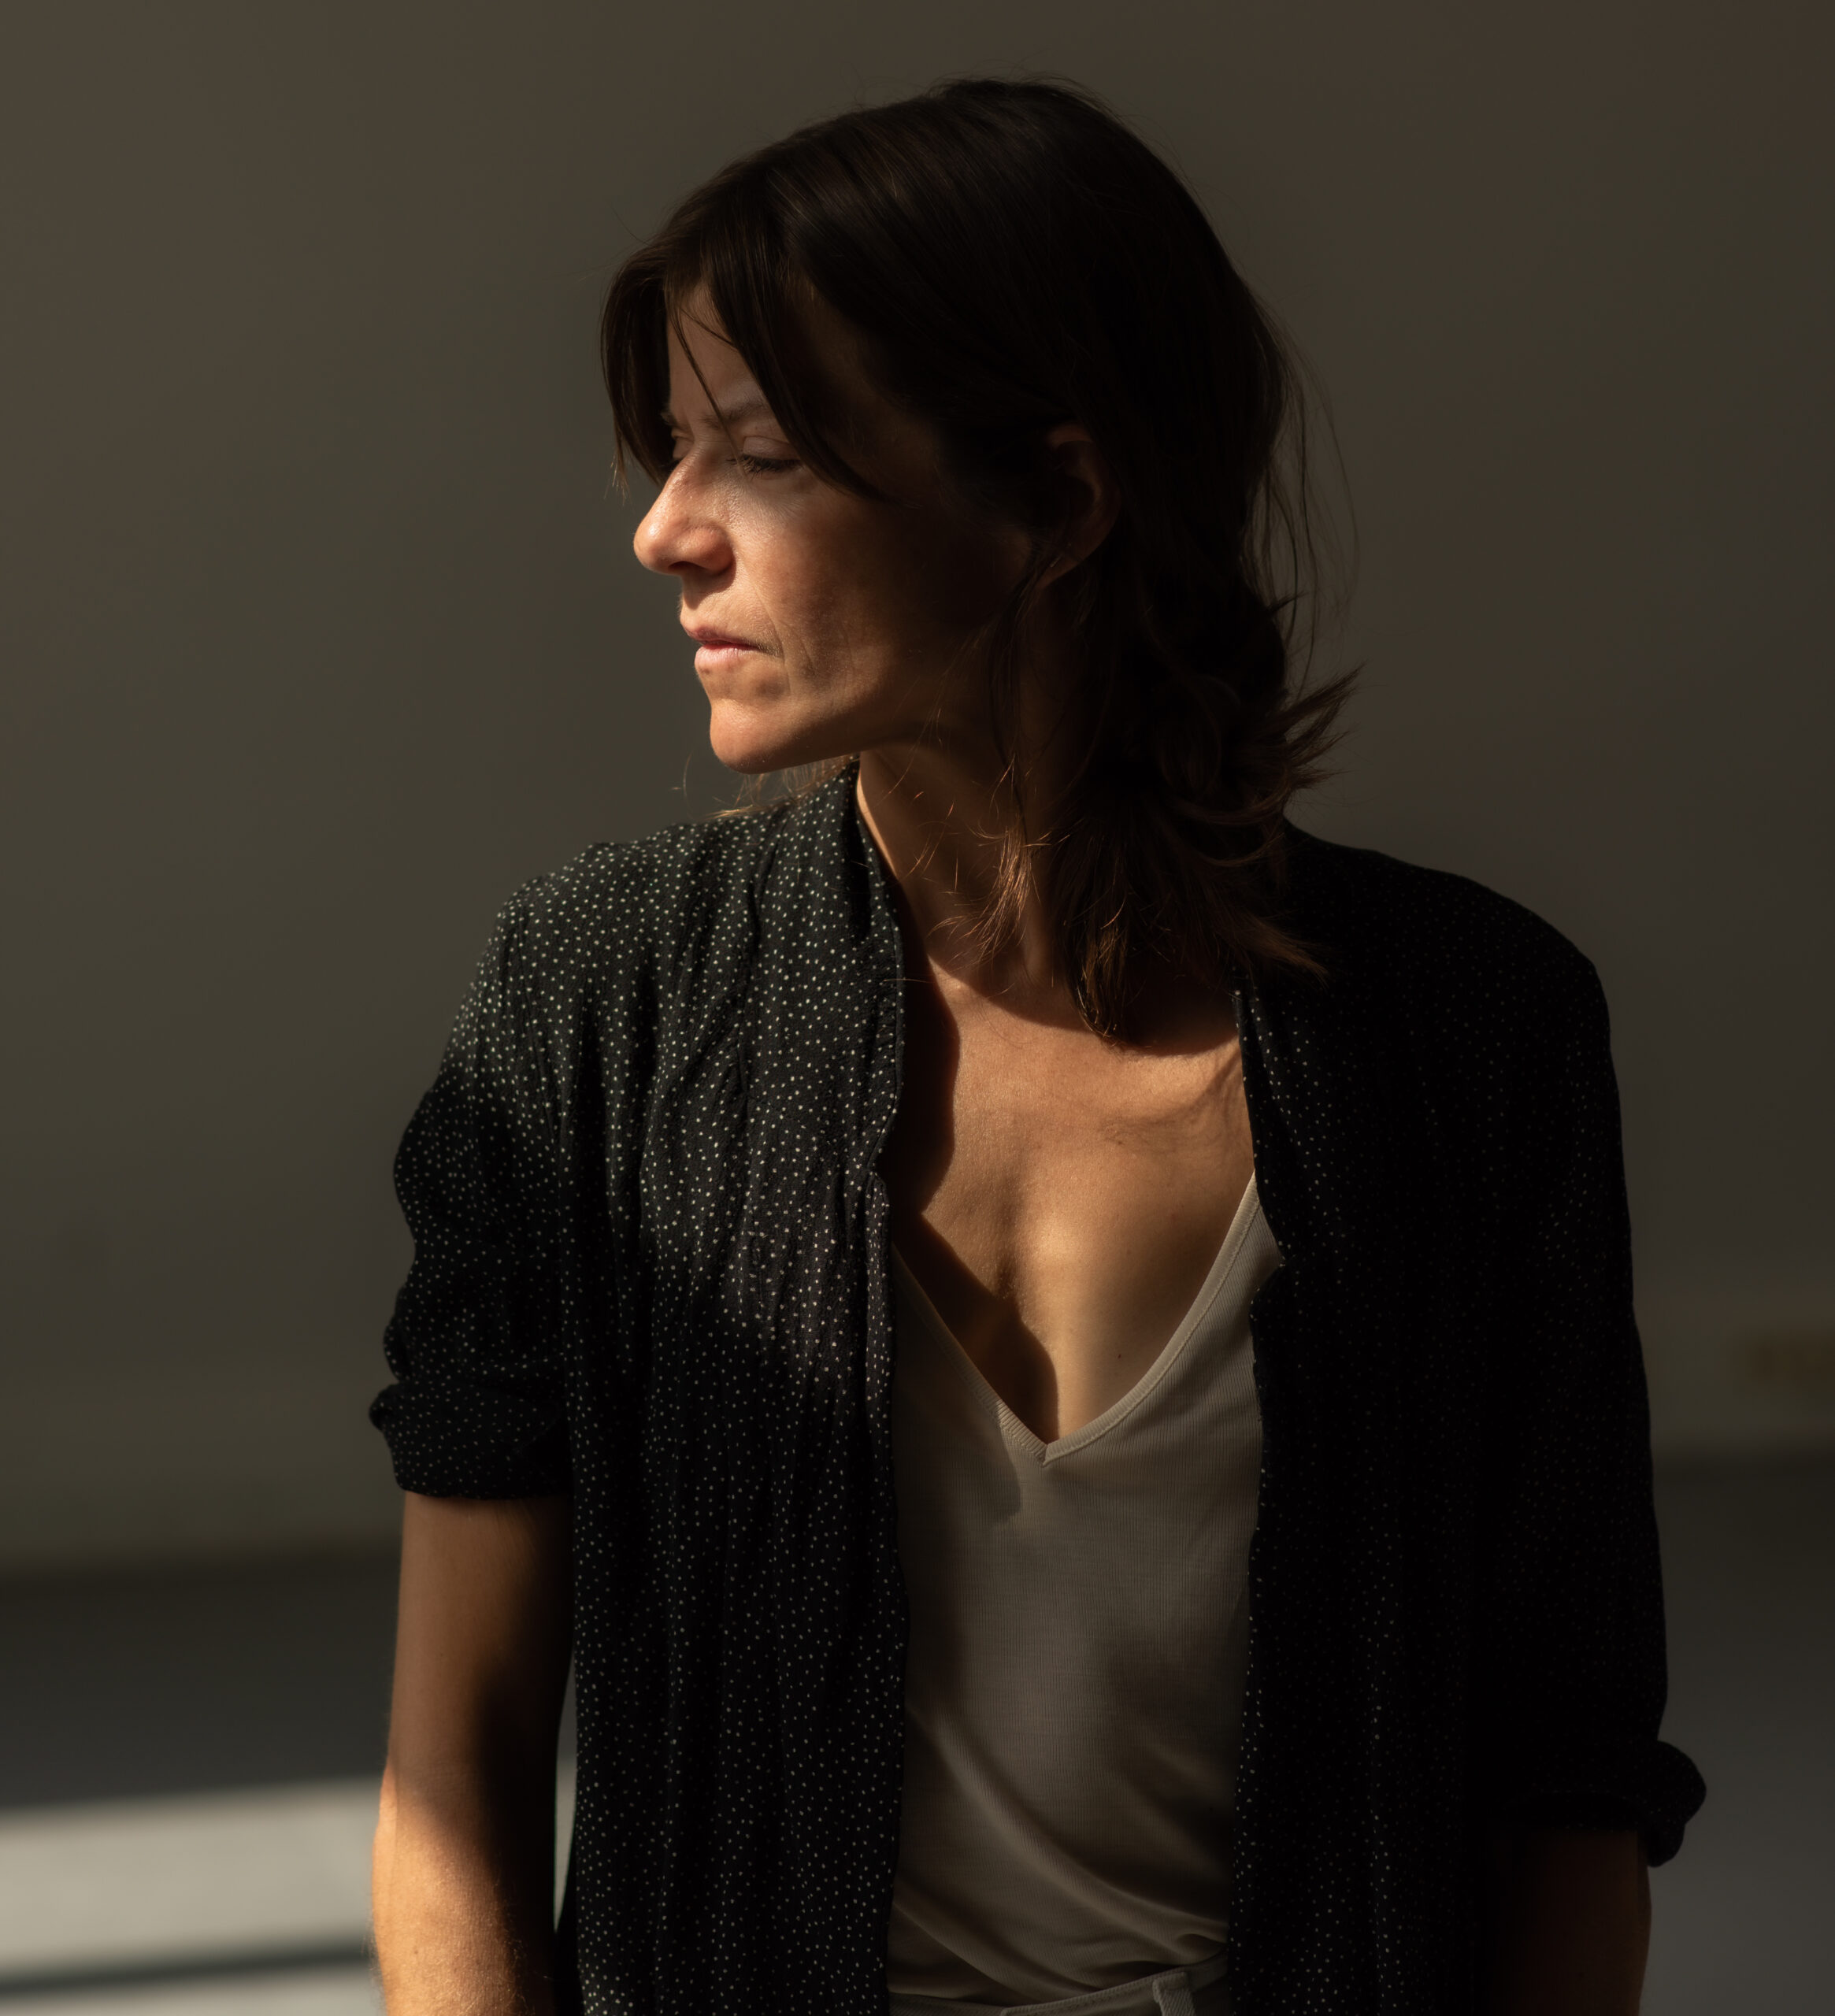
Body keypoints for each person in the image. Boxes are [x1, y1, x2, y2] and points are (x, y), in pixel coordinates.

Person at [367, 78, 1703, 2016]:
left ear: (1060, 503)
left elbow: (1566, 1782)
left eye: (759, 454)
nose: (664, 531)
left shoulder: (1467, 1034)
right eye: (669, 449)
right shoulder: (603, 1001)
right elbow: (452, 1791)